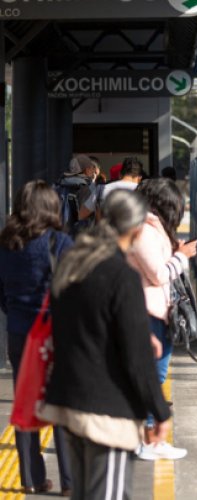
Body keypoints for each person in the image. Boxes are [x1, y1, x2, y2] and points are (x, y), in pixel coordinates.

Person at [39, 190, 172, 500]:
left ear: (101, 217)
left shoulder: (73, 262)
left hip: (70, 402)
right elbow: (137, 357)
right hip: (107, 411)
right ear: (137, 229)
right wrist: (160, 411)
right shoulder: (122, 277)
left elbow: (79, 326)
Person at [0, 180, 73, 495]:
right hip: (56, 333)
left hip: (19, 333)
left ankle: (30, 479)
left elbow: (1, 293)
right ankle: (70, 481)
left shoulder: (6, 244)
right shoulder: (60, 243)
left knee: (26, 400)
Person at [128, 178, 197, 460]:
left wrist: (174, 252)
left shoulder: (150, 228)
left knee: (154, 376)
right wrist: (181, 257)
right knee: (152, 377)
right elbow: (157, 274)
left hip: (155, 311)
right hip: (147, 313)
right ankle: (148, 440)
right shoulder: (143, 230)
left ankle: (151, 439)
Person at [56, 154, 99, 235]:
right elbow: (84, 216)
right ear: (86, 170)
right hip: (78, 238)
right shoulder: (85, 188)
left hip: (59, 235)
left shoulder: (59, 185)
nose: (93, 170)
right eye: (91, 168)